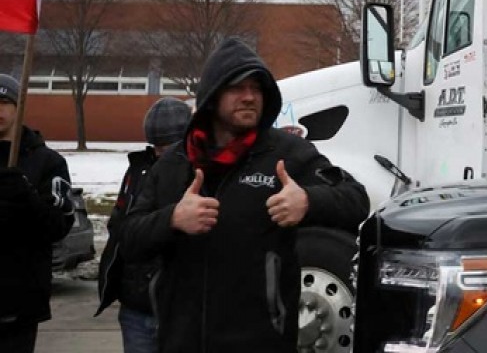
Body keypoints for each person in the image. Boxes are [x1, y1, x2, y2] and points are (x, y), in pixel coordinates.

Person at [119, 37, 369, 353]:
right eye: (237, 88)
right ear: (212, 96)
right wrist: (172, 219)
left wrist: (308, 201)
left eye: (257, 88)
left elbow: (356, 198)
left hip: (262, 341)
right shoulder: (174, 164)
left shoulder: (287, 154)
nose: (250, 97)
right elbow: (128, 238)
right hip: (181, 341)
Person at [95, 97, 192, 353]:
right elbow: (122, 227)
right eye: (157, 145)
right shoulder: (138, 172)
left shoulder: (199, 175)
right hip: (136, 306)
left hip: (182, 307)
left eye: (170, 145)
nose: (163, 153)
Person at [0, 73, 74, 353]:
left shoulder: (47, 162)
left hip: (19, 302)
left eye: (5, 102)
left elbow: (58, 226)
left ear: (19, 107)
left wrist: (26, 198)